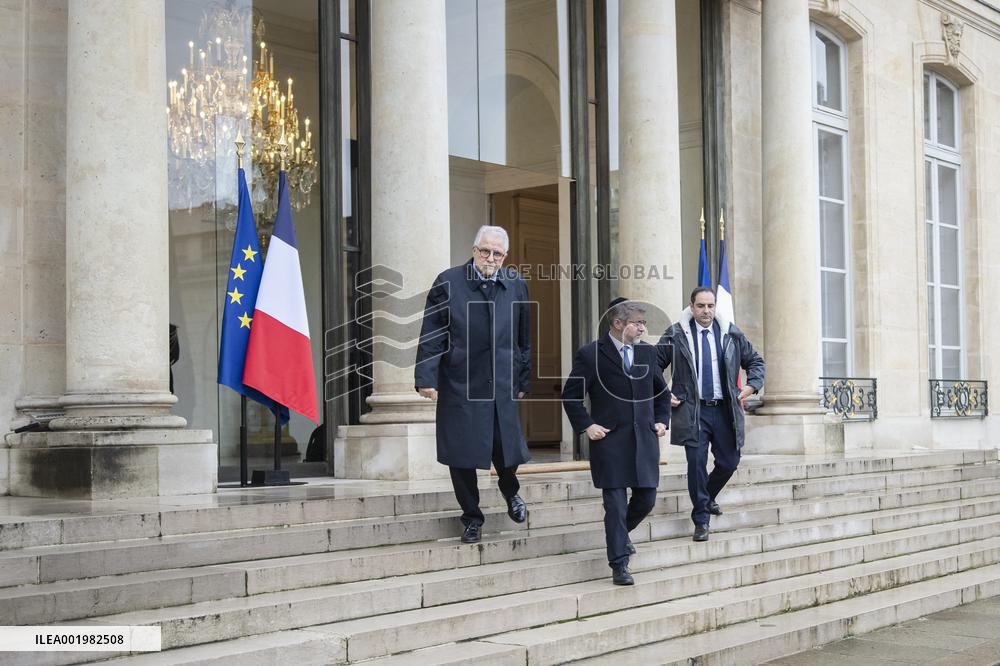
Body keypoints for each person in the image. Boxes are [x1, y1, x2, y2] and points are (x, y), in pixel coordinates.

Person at [415, 225, 532, 544]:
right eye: (485, 251)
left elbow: (524, 337)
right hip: (460, 382)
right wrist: (426, 377)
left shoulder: (515, 283)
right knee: (461, 454)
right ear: (473, 249)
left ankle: (512, 493)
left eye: (497, 253)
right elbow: (432, 333)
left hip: (501, 382)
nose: (490, 258)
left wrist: (523, 377)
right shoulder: (448, 282)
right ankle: (471, 518)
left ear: (505, 256)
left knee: (506, 449)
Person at [562, 299, 670, 585]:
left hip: (644, 440)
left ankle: (618, 537)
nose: (643, 328)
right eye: (638, 322)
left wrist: (662, 420)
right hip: (609, 442)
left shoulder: (648, 354)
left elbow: (661, 393)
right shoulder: (591, 354)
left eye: (644, 323)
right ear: (618, 323)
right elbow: (571, 395)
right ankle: (619, 563)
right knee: (616, 505)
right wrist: (587, 426)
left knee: (646, 499)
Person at [656, 287, 764, 542]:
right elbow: (652, 366)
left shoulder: (731, 333)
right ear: (692, 307)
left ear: (715, 307)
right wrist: (662, 392)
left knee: (729, 462)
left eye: (710, 306)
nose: (706, 311)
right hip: (692, 411)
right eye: (701, 306)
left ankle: (706, 497)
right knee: (696, 465)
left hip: (724, 409)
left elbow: (755, 361)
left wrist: (752, 385)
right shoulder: (675, 334)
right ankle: (701, 519)